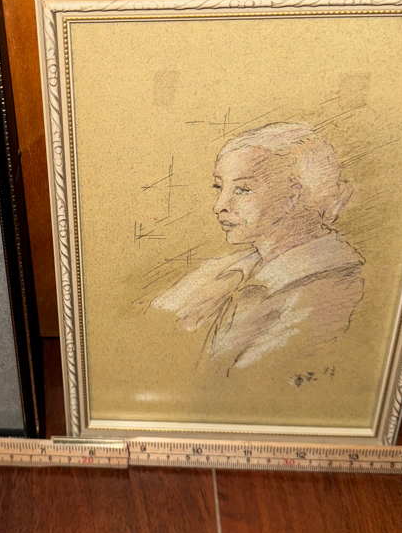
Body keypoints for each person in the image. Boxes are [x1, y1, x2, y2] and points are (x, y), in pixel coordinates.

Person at [153, 123, 364, 371]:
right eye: (219, 187)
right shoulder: (220, 271)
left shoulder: (329, 289)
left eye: (243, 190)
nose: (219, 205)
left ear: (293, 196)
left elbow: (244, 380)